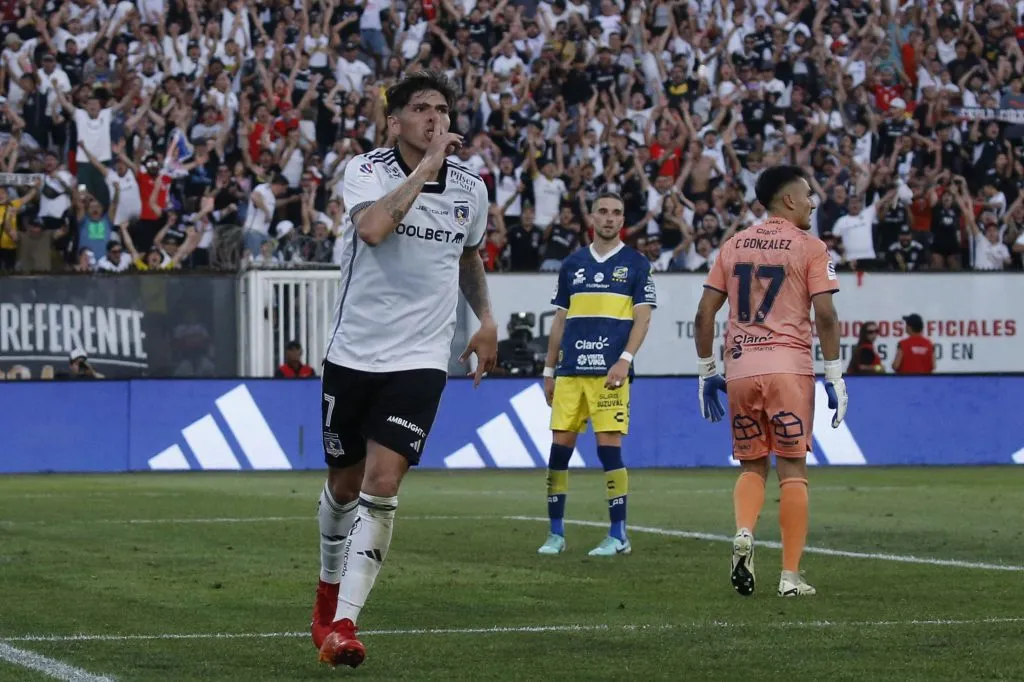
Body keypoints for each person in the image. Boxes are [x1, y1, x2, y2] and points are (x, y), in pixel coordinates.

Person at [312, 71, 498, 669]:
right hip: (354, 354)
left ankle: (345, 622)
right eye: (421, 109)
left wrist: (486, 319)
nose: (434, 119)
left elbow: (468, 256)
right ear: (394, 122)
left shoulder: (472, 189)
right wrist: (427, 170)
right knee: (342, 487)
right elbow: (371, 230)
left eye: (441, 109)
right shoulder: (365, 170)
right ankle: (324, 591)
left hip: (421, 358)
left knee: (383, 482)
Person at [692, 165, 848, 598]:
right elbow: (827, 314)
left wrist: (707, 371)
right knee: (793, 470)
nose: (814, 201)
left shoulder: (734, 244)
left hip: (740, 370)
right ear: (789, 200)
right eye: (809, 193)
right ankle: (790, 577)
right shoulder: (811, 247)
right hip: (789, 370)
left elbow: (704, 315)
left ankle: (744, 530)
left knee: (751, 465)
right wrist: (834, 373)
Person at [537, 192, 657, 557]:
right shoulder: (572, 264)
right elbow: (560, 320)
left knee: (609, 452)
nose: (609, 218)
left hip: (609, 375)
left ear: (623, 220)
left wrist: (624, 359)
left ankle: (618, 534)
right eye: (603, 211)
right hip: (571, 372)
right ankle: (555, 534)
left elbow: (644, 317)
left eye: (616, 213)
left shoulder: (636, 264)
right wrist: (548, 368)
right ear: (592, 217)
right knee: (559, 453)